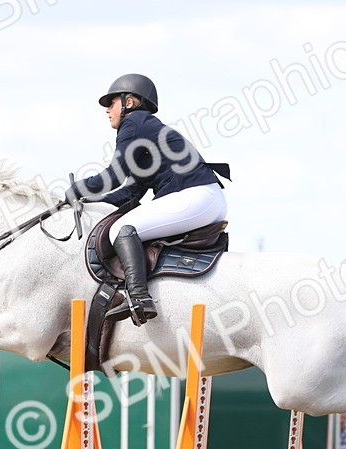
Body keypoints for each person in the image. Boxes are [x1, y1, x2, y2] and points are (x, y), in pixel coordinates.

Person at [66, 73, 228, 326]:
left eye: (111, 103)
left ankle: (139, 298)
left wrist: (78, 189)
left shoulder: (133, 123)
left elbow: (113, 176)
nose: (107, 110)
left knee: (121, 229)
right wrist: (91, 203)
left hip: (194, 196)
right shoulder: (145, 129)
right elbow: (131, 191)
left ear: (128, 102)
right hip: (203, 199)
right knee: (127, 225)